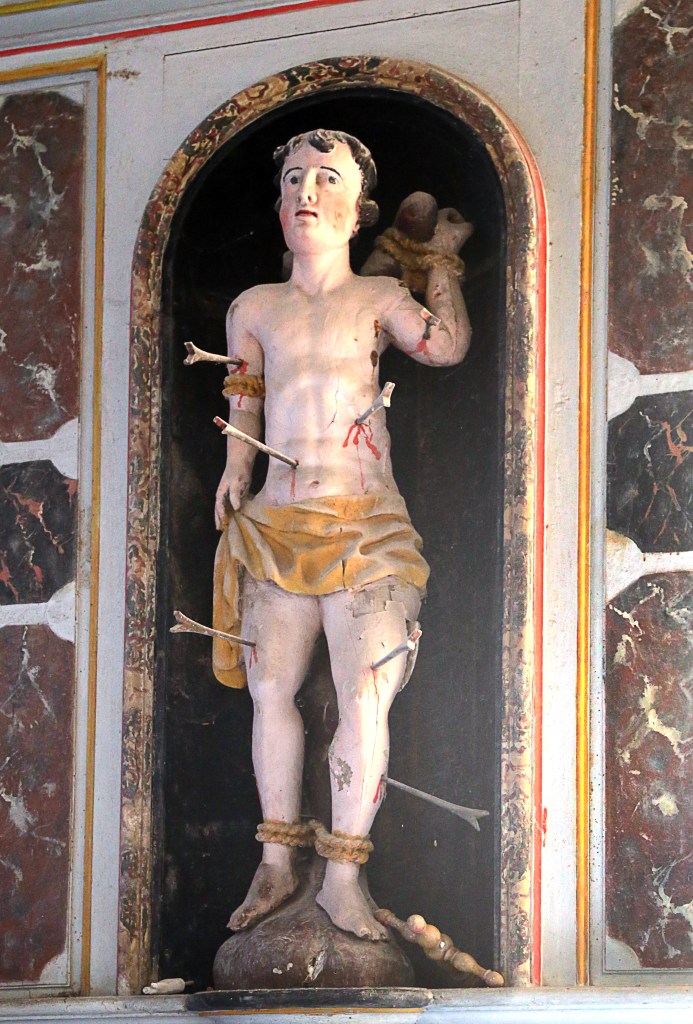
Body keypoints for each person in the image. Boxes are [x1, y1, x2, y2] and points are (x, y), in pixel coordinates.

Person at [213, 129, 472, 941]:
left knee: (364, 695)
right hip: (275, 523)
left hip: (365, 526)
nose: (305, 192)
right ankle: (275, 863)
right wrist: (234, 467)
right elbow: (246, 394)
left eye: (327, 178)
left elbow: (446, 347)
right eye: (293, 178)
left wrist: (438, 264)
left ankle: (343, 879)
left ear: (359, 211)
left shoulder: (378, 298)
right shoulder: (252, 306)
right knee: (269, 692)